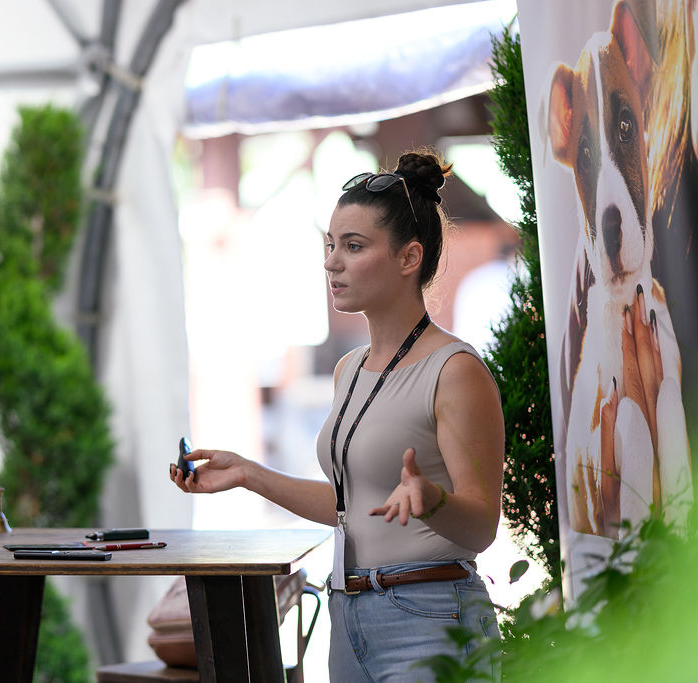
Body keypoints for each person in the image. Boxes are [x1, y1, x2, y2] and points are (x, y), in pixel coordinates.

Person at [169, 149, 503, 682]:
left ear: (409, 258)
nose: (331, 262)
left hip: (431, 615)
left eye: (353, 246)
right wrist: (248, 474)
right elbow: (353, 508)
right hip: (348, 615)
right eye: (330, 245)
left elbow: (482, 525)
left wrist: (432, 500)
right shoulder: (350, 369)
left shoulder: (454, 370)